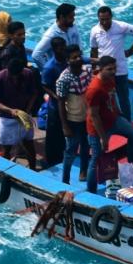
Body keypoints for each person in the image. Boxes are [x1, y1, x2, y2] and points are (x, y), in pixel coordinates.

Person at [87, 56, 133, 176]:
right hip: (99, 128)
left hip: (114, 119)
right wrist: (103, 138)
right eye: (109, 69)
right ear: (100, 69)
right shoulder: (94, 89)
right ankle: (91, 184)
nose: (113, 71)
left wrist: (118, 112)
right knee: (96, 157)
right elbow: (94, 115)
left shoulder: (111, 79)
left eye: (114, 68)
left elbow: (112, 96)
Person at [87, 5, 133, 118]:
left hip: (120, 70)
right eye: (102, 19)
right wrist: (93, 69)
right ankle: (109, 122)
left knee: (123, 99)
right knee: (105, 99)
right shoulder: (94, 31)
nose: (105, 22)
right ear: (98, 18)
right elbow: (94, 50)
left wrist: (131, 50)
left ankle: (127, 121)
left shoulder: (121, 26)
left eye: (107, 19)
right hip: (104, 72)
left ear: (111, 16)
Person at [55, 45, 96, 191]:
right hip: (72, 120)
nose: (78, 59)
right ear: (68, 60)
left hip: (87, 118)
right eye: (74, 57)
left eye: (79, 56)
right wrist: (65, 126)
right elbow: (61, 103)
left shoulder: (87, 71)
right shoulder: (63, 79)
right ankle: (65, 179)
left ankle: (83, 172)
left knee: (86, 146)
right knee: (70, 150)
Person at [0, 53, 41, 168]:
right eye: (13, 75)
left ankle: (33, 169)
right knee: (6, 149)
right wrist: (10, 111)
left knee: (29, 144)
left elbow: (34, 94)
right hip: (7, 119)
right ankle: (6, 171)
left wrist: (26, 111)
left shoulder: (28, 74)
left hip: (24, 116)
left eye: (18, 75)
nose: (15, 77)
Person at [38, 37, 70, 170]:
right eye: (61, 48)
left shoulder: (67, 60)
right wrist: (55, 96)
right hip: (55, 106)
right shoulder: (49, 67)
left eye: (64, 47)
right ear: (55, 50)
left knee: (63, 133)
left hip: (68, 103)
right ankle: (50, 160)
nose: (64, 50)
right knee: (53, 134)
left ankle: (62, 156)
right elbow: (44, 85)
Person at [31, 2, 81, 69]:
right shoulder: (51, 35)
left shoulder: (73, 27)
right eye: (70, 17)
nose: (73, 19)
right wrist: (48, 69)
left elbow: (79, 47)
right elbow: (36, 55)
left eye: (73, 16)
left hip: (74, 65)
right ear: (62, 17)